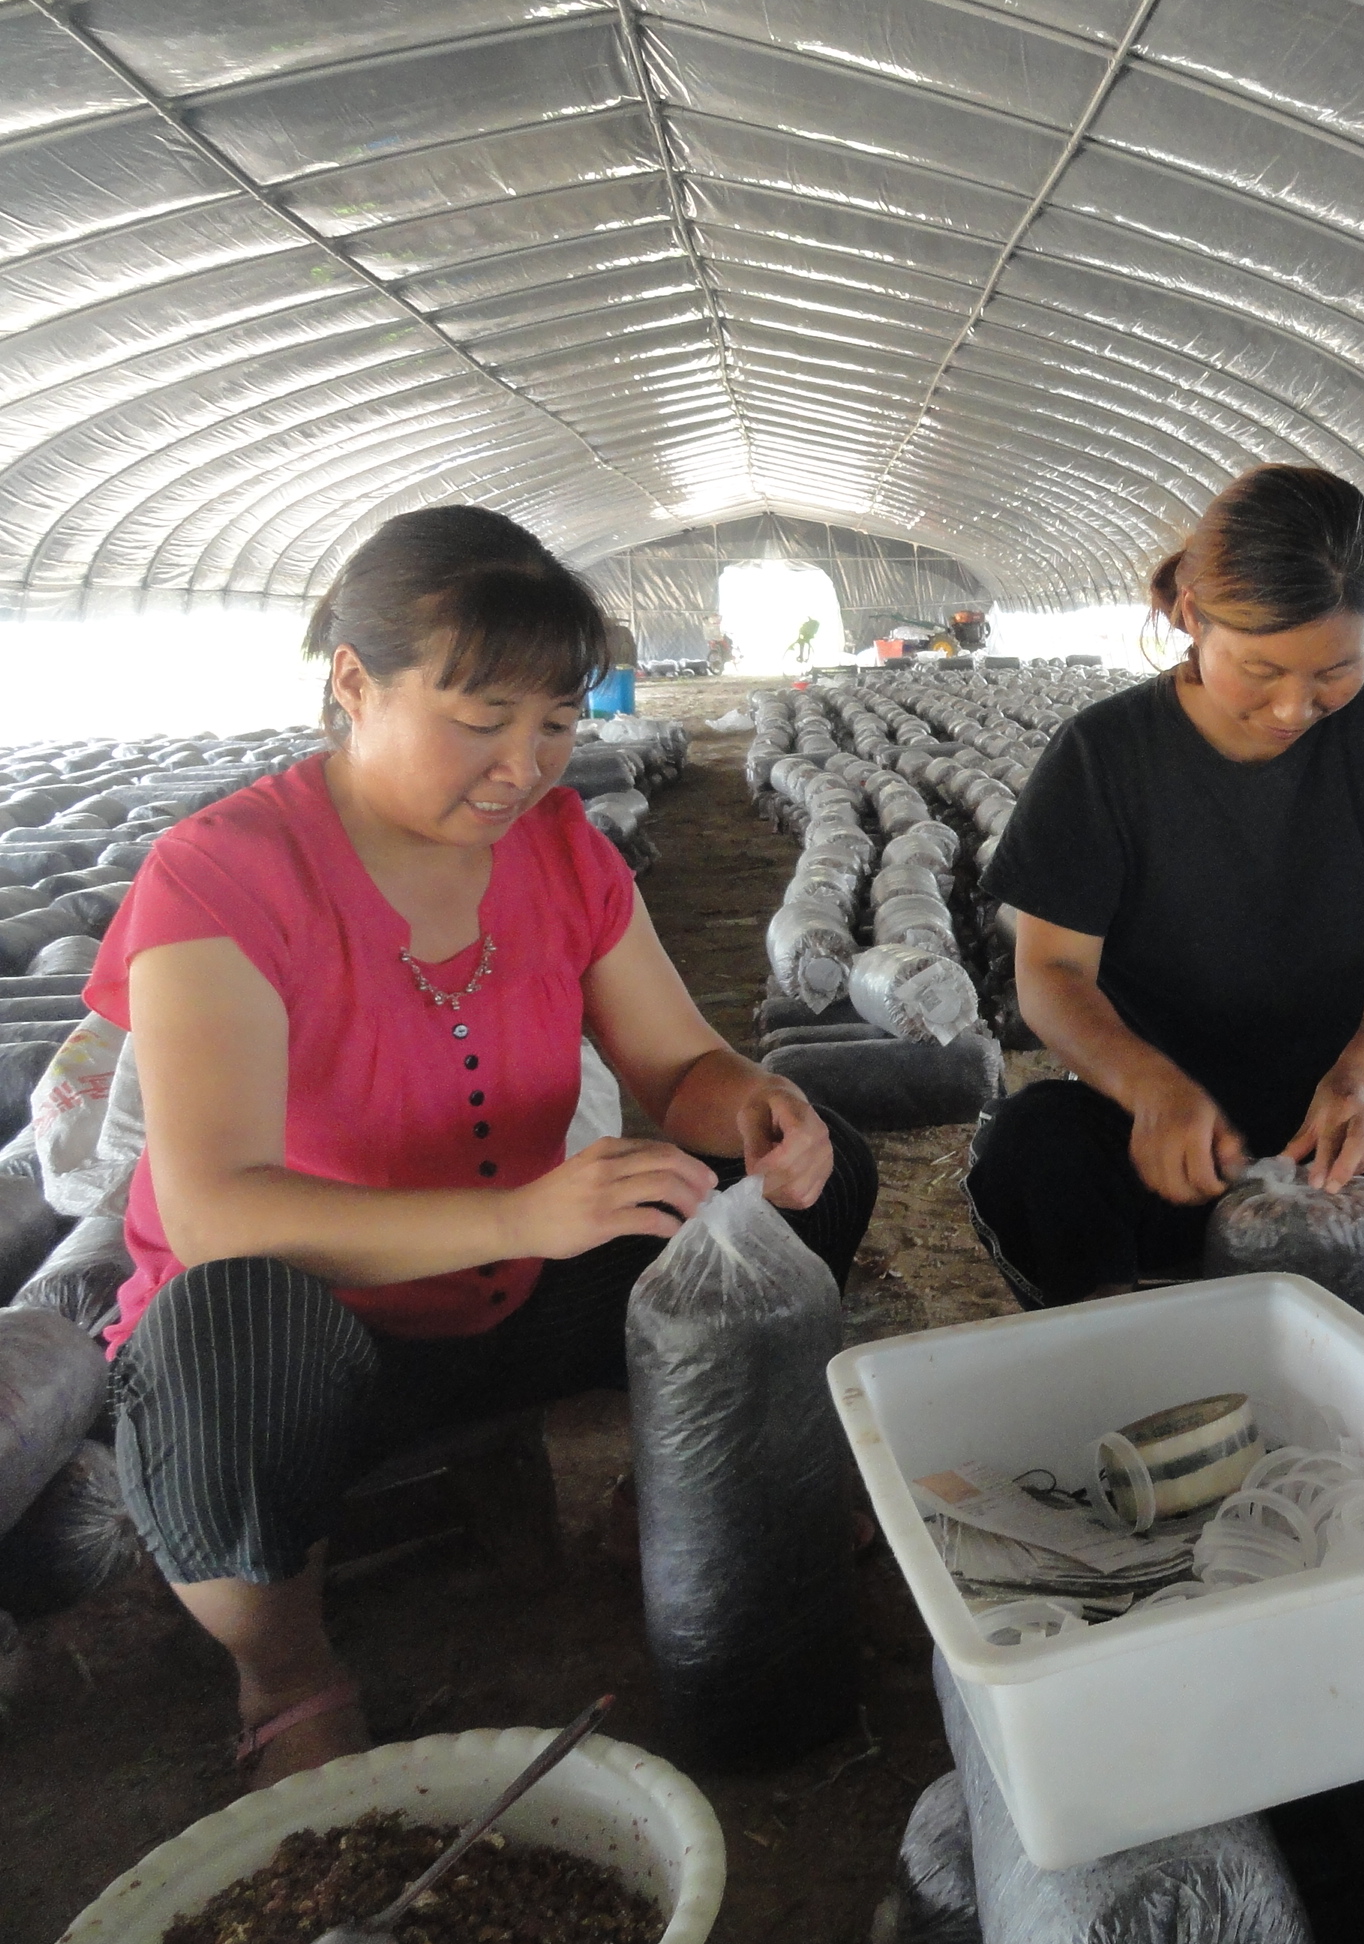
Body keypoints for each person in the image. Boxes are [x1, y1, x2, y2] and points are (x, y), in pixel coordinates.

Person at [92, 507, 879, 1783]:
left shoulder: (560, 850)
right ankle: (285, 1672)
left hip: (518, 1293)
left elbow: (678, 1068)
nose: (523, 767)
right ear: (355, 684)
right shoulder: (223, 875)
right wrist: (519, 1215)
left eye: (556, 725)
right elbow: (214, 1212)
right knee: (220, 1327)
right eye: (480, 721)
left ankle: (673, 1493)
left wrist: (754, 1106)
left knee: (815, 1170)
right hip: (320, 1344)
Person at [967, 465, 1364, 1306]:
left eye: (1336, 669)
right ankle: (1118, 1342)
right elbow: (1052, 972)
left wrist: (1362, 1080)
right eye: (1261, 669)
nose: (1295, 707)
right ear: (1194, 616)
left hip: (1336, 1128)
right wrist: (1151, 1091)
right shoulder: (1104, 755)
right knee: (1035, 1143)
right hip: (1172, 1136)